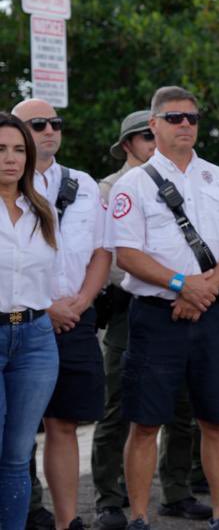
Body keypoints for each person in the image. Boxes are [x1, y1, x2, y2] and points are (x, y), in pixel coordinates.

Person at [105, 86, 219, 529]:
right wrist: (180, 284)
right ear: (154, 124)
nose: (185, 124)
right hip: (155, 317)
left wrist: (201, 291)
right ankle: (140, 517)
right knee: (146, 423)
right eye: (173, 118)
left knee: (217, 419)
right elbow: (126, 255)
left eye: (192, 117)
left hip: (209, 315)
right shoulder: (132, 184)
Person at [92, 110, 213, 529]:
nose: (152, 139)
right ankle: (109, 498)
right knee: (121, 406)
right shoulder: (111, 188)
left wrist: (191, 291)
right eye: (143, 135)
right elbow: (110, 255)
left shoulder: (192, 180)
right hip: (132, 306)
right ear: (128, 145)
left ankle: (177, 491)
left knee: (183, 405)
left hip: (187, 303)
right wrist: (175, 285)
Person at [12, 99, 112, 530]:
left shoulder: (85, 183)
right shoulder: (7, 182)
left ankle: (67, 522)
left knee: (64, 422)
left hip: (76, 316)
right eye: (38, 124)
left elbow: (102, 250)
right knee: (13, 430)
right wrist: (44, 306)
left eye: (56, 122)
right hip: (21, 316)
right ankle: (26, 512)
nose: (50, 130)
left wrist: (82, 302)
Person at [0, 112, 60, 529]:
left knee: (18, 456)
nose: (11, 159)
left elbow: (50, 278)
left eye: (19, 149)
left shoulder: (42, 211)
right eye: (1, 150)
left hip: (37, 339)